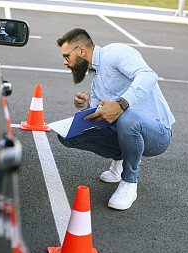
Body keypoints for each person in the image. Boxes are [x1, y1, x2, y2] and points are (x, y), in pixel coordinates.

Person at [56, 28, 175, 210]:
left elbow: (148, 75)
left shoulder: (115, 52)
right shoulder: (96, 80)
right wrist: (84, 108)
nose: (65, 62)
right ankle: (119, 160)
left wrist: (121, 104)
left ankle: (129, 182)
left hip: (157, 134)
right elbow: (101, 117)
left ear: (81, 50)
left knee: (127, 118)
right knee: (67, 135)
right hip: (126, 129)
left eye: (66, 56)